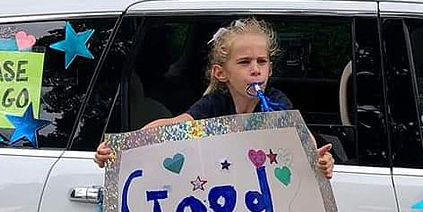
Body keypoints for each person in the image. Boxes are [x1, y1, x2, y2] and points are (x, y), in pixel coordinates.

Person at [94, 18, 334, 178]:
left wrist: (320, 160)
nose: (255, 70)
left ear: (270, 69)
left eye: (262, 62)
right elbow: (172, 125)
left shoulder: (276, 102)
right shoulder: (215, 103)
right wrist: (121, 147)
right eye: (244, 62)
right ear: (221, 73)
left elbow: (304, 141)